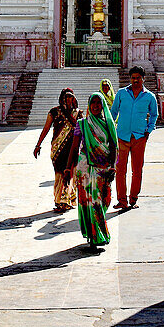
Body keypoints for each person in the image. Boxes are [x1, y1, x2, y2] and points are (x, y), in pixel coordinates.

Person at [63, 91, 118, 249]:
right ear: (88, 104)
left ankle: (95, 233)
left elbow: (113, 146)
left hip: (104, 168)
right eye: (92, 102)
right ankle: (95, 237)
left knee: (104, 200)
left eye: (98, 103)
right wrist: (68, 168)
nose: (95, 106)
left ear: (102, 105)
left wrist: (112, 166)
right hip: (85, 168)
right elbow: (74, 148)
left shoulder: (109, 124)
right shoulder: (82, 124)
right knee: (90, 202)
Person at [110, 65, 158, 210]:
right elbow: (113, 112)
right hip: (122, 137)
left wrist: (148, 130)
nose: (135, 80)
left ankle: (133, 199)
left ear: (143, 79)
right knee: (120, 170)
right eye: (133, 78)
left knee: (137, 170)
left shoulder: (149, 96)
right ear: (130, 78)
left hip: (139, 138)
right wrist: (111, 130)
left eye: (138, 78)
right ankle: (121, 200)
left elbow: (154, 115)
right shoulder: (121, 93)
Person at [33, 87, 79, 210]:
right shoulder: (54, 112)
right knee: (59, 173)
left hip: (72, 148)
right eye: (66, 97)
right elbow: (46, 128)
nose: (68, 99)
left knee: (69, 173)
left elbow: (83, 132)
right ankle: (59, 200)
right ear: (61, 98)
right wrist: (38, 145)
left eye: (70, 97)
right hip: (57, 148)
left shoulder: (78, 114)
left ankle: (65, 201)